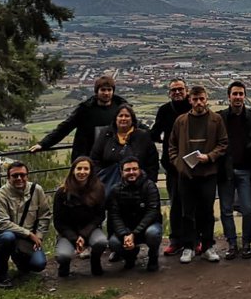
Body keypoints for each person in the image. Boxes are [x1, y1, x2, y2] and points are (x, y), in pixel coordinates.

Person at [168, 85, 228, 264]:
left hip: (208, 173)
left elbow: (223, 143)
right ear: (190, 100)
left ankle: (208, 246)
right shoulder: (181, 121)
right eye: (195, 99)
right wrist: (178, 163)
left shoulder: (216, 120)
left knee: (207, 212)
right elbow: (172, 146)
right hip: (186, 175)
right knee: (187, 213)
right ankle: (188, 247)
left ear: (207, 98)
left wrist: (209, 157)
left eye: (202, 99)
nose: (199, 102)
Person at [31, 75, 127, 162]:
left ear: (113, 91)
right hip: (87, 158)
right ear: (96, 91)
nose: (106, 93)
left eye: (109, 90)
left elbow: (135, 125)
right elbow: (65, 127)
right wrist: (43, 144)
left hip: (112, 158)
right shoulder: (85, 109)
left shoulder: (120, 109)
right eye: (103, 90)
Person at [0, 161, 51, 288]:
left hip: (25, 238)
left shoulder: (36, 190)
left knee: (38, 265)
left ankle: (20, 261)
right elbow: (2, 224)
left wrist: (39, 236)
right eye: (15, 176)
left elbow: (45, 215)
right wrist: (29, 234)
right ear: (8, 177)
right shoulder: (0, 196)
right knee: (8, 237)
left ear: (27, 176)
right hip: (1, 235)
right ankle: (1, 276)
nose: (19, 178)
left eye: (22, 175)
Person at [219, 81, 251, 259]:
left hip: (246, 170)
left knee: (248, 209)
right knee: (226, 209)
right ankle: (231, 244)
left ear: (245, 96)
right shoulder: (219, 118)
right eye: (235, 94)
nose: (238, 97)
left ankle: (246, 243)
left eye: (241, 94)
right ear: (229, 96)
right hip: (225, 170)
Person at [152, 79, 190, 256]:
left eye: (180, 89)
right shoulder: (165, 110)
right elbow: (155, 132)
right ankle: (176, 241)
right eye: (173, 90)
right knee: (175, 203)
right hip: (173, 164)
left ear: (187, 90)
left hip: (194, 164)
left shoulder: (194, 106)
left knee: (193, 203)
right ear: (169, 93)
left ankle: (194, 239)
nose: (177, 92)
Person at [52, 155, 107, 278]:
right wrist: (74, 238)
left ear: (91, 171)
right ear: (73, 170)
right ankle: (64, 266)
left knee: (101, 242)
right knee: (63, 255)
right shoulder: (62, 192)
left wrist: (83, 235)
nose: (82, 172)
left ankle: (95, 262)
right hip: (67, 232)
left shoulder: (99, 189)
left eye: (86, 169)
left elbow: (100, 215)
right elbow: (58, 222)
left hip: (90, 229)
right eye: (79, 168)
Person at [106, 156, 163, 271]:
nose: (131, 172)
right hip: (126, 229)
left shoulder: (149, 186)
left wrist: (134, 234)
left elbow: (152, 213)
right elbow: (114, 215)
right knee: (113, 242)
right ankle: (130, 256)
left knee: (153, 233)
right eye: (127, 170)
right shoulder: (115, 190)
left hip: (146, 227)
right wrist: (125, 234)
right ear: (121, 172)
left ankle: (153, 257)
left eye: (134, 169)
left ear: (140, 170)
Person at [89, 104, 159, 189]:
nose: (123, 118)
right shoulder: (105, 134)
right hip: (109, 185)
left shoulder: (143, 136)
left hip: (139, 186)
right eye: (120, 116)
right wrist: (100, 178)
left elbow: (152, 162)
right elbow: (95, 158)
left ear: (132, 119)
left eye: (127, 116)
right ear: (115, 118)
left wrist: (148, 183)